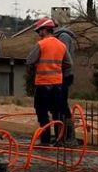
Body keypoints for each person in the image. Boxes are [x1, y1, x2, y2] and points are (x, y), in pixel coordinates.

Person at [26, 17, 72, 145]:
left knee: (42, 113)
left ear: (45, 30)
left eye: (39, 31)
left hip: (43, 84)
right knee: (57, 113)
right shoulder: (61, 45)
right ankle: (58, 140)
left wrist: (36, 67)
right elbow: (69, 63)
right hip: (57, 84)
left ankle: (45, 141)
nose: (38, 33)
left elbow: (29, 61)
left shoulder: (41, 44)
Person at [54, 24, 77, 144]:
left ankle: (67, 136)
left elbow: (63, 56)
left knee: (61, 104)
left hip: (64, 75)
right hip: (62, 74)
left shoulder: (63, 36)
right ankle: (62, 135)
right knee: (59, 104)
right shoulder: (61, 36)